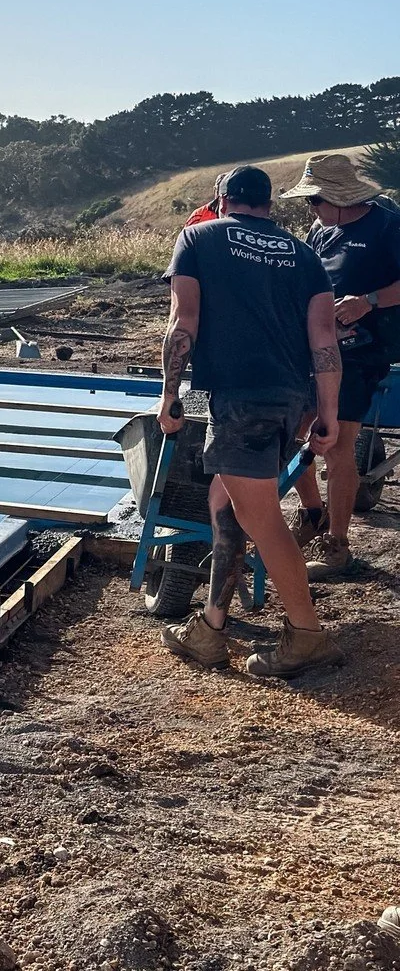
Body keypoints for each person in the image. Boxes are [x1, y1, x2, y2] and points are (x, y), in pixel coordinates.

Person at [156, 165, 344, 677]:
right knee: (226, 500)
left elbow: (183, 321)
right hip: (289, 398)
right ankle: (211, 627)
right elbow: (325, 341)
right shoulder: (303, 254)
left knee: (260, 518)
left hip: (240, 398)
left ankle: (308, 636)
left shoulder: (197, 237)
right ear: (269, 204)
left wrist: (170, 394)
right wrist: (326, 414)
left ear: (221, 199)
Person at [278, 154, 400, 578]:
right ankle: (314, 512)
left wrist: (366, 301)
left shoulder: (387, 225)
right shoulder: (320, 230)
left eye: (314, 201)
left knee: (337, 443)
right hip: (315, 347)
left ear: (339, 198)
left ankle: (338, 547)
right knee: (293, 432)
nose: (310, 209)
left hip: (362, 351)